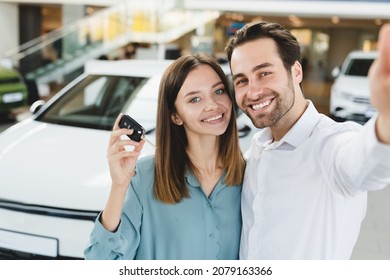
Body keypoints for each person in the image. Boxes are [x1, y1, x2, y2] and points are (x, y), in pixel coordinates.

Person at [225, 21, 390, 259]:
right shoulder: (256, 150)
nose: (253, 92)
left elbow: (363, 164)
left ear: (296, 71)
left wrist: (385, 120)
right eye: (241, 80)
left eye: (264, 73)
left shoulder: (330, 143)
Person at [84, 53, 245, 260]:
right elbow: (100, 260)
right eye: (195, 98)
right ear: (175, 116)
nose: (213, 105)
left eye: (219, 91)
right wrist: (119, 186)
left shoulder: (247, 176)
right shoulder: (143, 177)